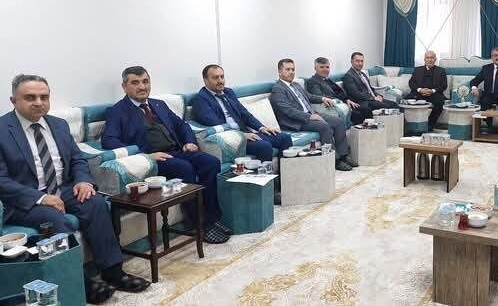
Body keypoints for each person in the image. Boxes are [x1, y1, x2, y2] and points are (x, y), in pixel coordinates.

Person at [0, 75, 150, 304]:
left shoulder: (58, 125)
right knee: (54, 219)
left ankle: (113, 271)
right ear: (13, 100)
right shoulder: (3, 130)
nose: (39, 102)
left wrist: (83, 181)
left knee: (96, 203)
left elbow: (78, 159)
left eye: (44, 97)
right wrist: (41, 198)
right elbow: (2, 180)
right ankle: (80, 282)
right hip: (25, 199)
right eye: (30, 97)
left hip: (64, 188)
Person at [101, 66, 228, 244]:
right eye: (135, 83)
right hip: (153, 159)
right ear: (124, 86)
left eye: (145, 81)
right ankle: (201, 225)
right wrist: (145, 156)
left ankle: (213, 218)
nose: (142, 86)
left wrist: (189, 141)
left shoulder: (158, 104)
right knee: (184, 168)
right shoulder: (117, 111)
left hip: (177, 151)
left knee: (210, 162)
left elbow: (182, 125)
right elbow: (109, 140)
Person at [191, 64, 292, 162]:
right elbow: (217, 125)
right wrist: (242, 135)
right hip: (231, 140)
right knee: (264, 146)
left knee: (285, 138)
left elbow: (245, 114)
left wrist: (262, 128)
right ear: (205, 80)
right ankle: (264, 174)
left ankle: (284, 172)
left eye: (222, 77)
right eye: (215, 78)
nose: (220, 80)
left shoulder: (228, 92)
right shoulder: (201, 100)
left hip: (246, 133)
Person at [270, 59, 354, 171]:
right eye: (287, 69)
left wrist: (322, 98)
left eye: (293, 69)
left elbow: (309, 96)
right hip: (296, 121)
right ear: (280, 72)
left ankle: (343, 156)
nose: (291, 72)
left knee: (338, 122)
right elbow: (287, 110)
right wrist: (309, 116)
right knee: (324, 126)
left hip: (310, 114)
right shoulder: (278, 88)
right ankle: (334, 160)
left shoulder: (295, 85)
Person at [305, 57, 366, 125]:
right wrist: (341, 101)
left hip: (341, 103)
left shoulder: (327, 79)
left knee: (363, 109)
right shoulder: (312, 81)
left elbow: (338, 92)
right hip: (331, 107)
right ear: (315, 68)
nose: (325, 69)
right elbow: (319, 96)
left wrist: (347, 100)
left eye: (327, 67)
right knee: (360, 112)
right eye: (322, 67)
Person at [468, 47, 498, 129]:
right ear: (492, 57)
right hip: (490, 95)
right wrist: (474, 88)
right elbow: (475, 81)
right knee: (485, 101)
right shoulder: (486, 68)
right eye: (495, 55)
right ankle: (490, 126)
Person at [406, 51, 447, 130]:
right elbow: (411, 83)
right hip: (419, 93)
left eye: (432, 58)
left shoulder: (441, 70)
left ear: (435, 59)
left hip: (434, 94)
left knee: (440, 102)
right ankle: (409, 125)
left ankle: (429, 125)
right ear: (424, 59)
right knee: (406, 100)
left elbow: (444, 85)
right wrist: (420, 90)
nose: (430, 60)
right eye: (428, 58)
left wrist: (432, 91)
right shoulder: (417, 69)